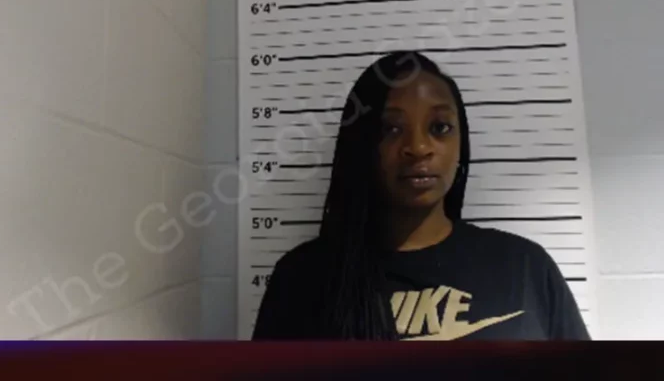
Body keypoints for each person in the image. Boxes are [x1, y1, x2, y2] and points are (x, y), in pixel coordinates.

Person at [252, 51, 589, 341]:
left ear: (461, 143)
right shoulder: (302, 279)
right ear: (362, 143)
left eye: (439, 128)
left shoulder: (525, 267)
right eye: (391, 129)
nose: (418, 147)